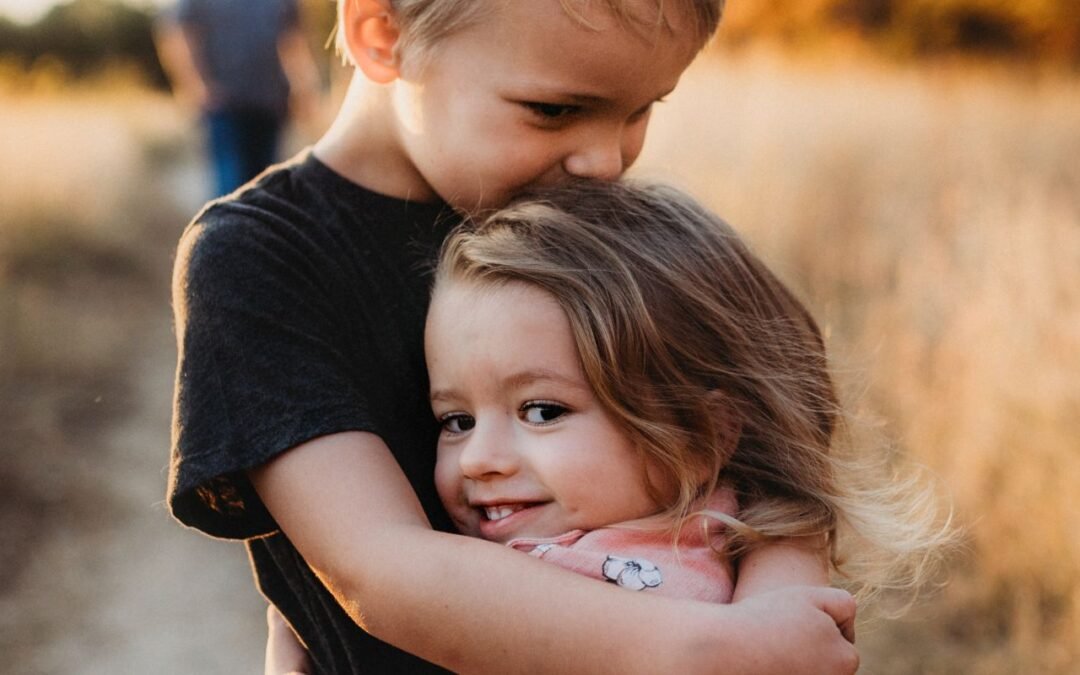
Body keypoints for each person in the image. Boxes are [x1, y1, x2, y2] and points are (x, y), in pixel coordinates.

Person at [169, 1, 862, 673]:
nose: (603, 162)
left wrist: (770, 617)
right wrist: (715, 651)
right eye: (556, 110)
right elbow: (379, 567)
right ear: (384, 34)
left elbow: (781, 453)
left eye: (642, 109)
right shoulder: (261, 258)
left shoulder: (590, 231)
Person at [265, 180, 953, 674]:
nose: (479, 458)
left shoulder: (742, 569)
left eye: (543, 410)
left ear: (705, 434)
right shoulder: (476, 576)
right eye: (455, 419)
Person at [155, 0, 319, 196]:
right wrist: (196, 86)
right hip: (225, 107)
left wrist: (304, 90)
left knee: (267, 189)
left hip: (270, 104)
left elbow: (293, 39)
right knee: (232, 190)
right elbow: (177, 32)